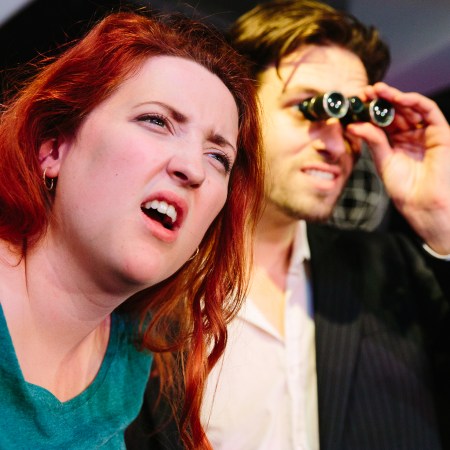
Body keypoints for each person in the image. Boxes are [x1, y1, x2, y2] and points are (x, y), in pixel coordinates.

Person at [127, 1, 450, 449]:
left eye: (352, 116)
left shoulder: (391, 272)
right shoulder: (149, 276)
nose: (335, 142)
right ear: (240, 112)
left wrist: (442, 222)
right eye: (307, 107)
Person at [0, 8, 264, 450]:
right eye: (156, 121)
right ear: (53, 148)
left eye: (218, 157)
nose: (193, 169)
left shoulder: (148, 364)